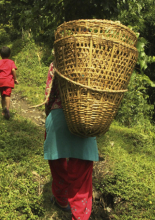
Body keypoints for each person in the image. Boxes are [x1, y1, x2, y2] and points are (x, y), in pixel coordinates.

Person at [44, 62, 99, 220]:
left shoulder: (59, 61)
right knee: (81, 178)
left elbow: (49, 94)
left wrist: (50, 118)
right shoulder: (97, 64)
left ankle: (61, 201)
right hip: (85, 120)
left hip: (58, 117)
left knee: (58, 165)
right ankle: (79, 216)